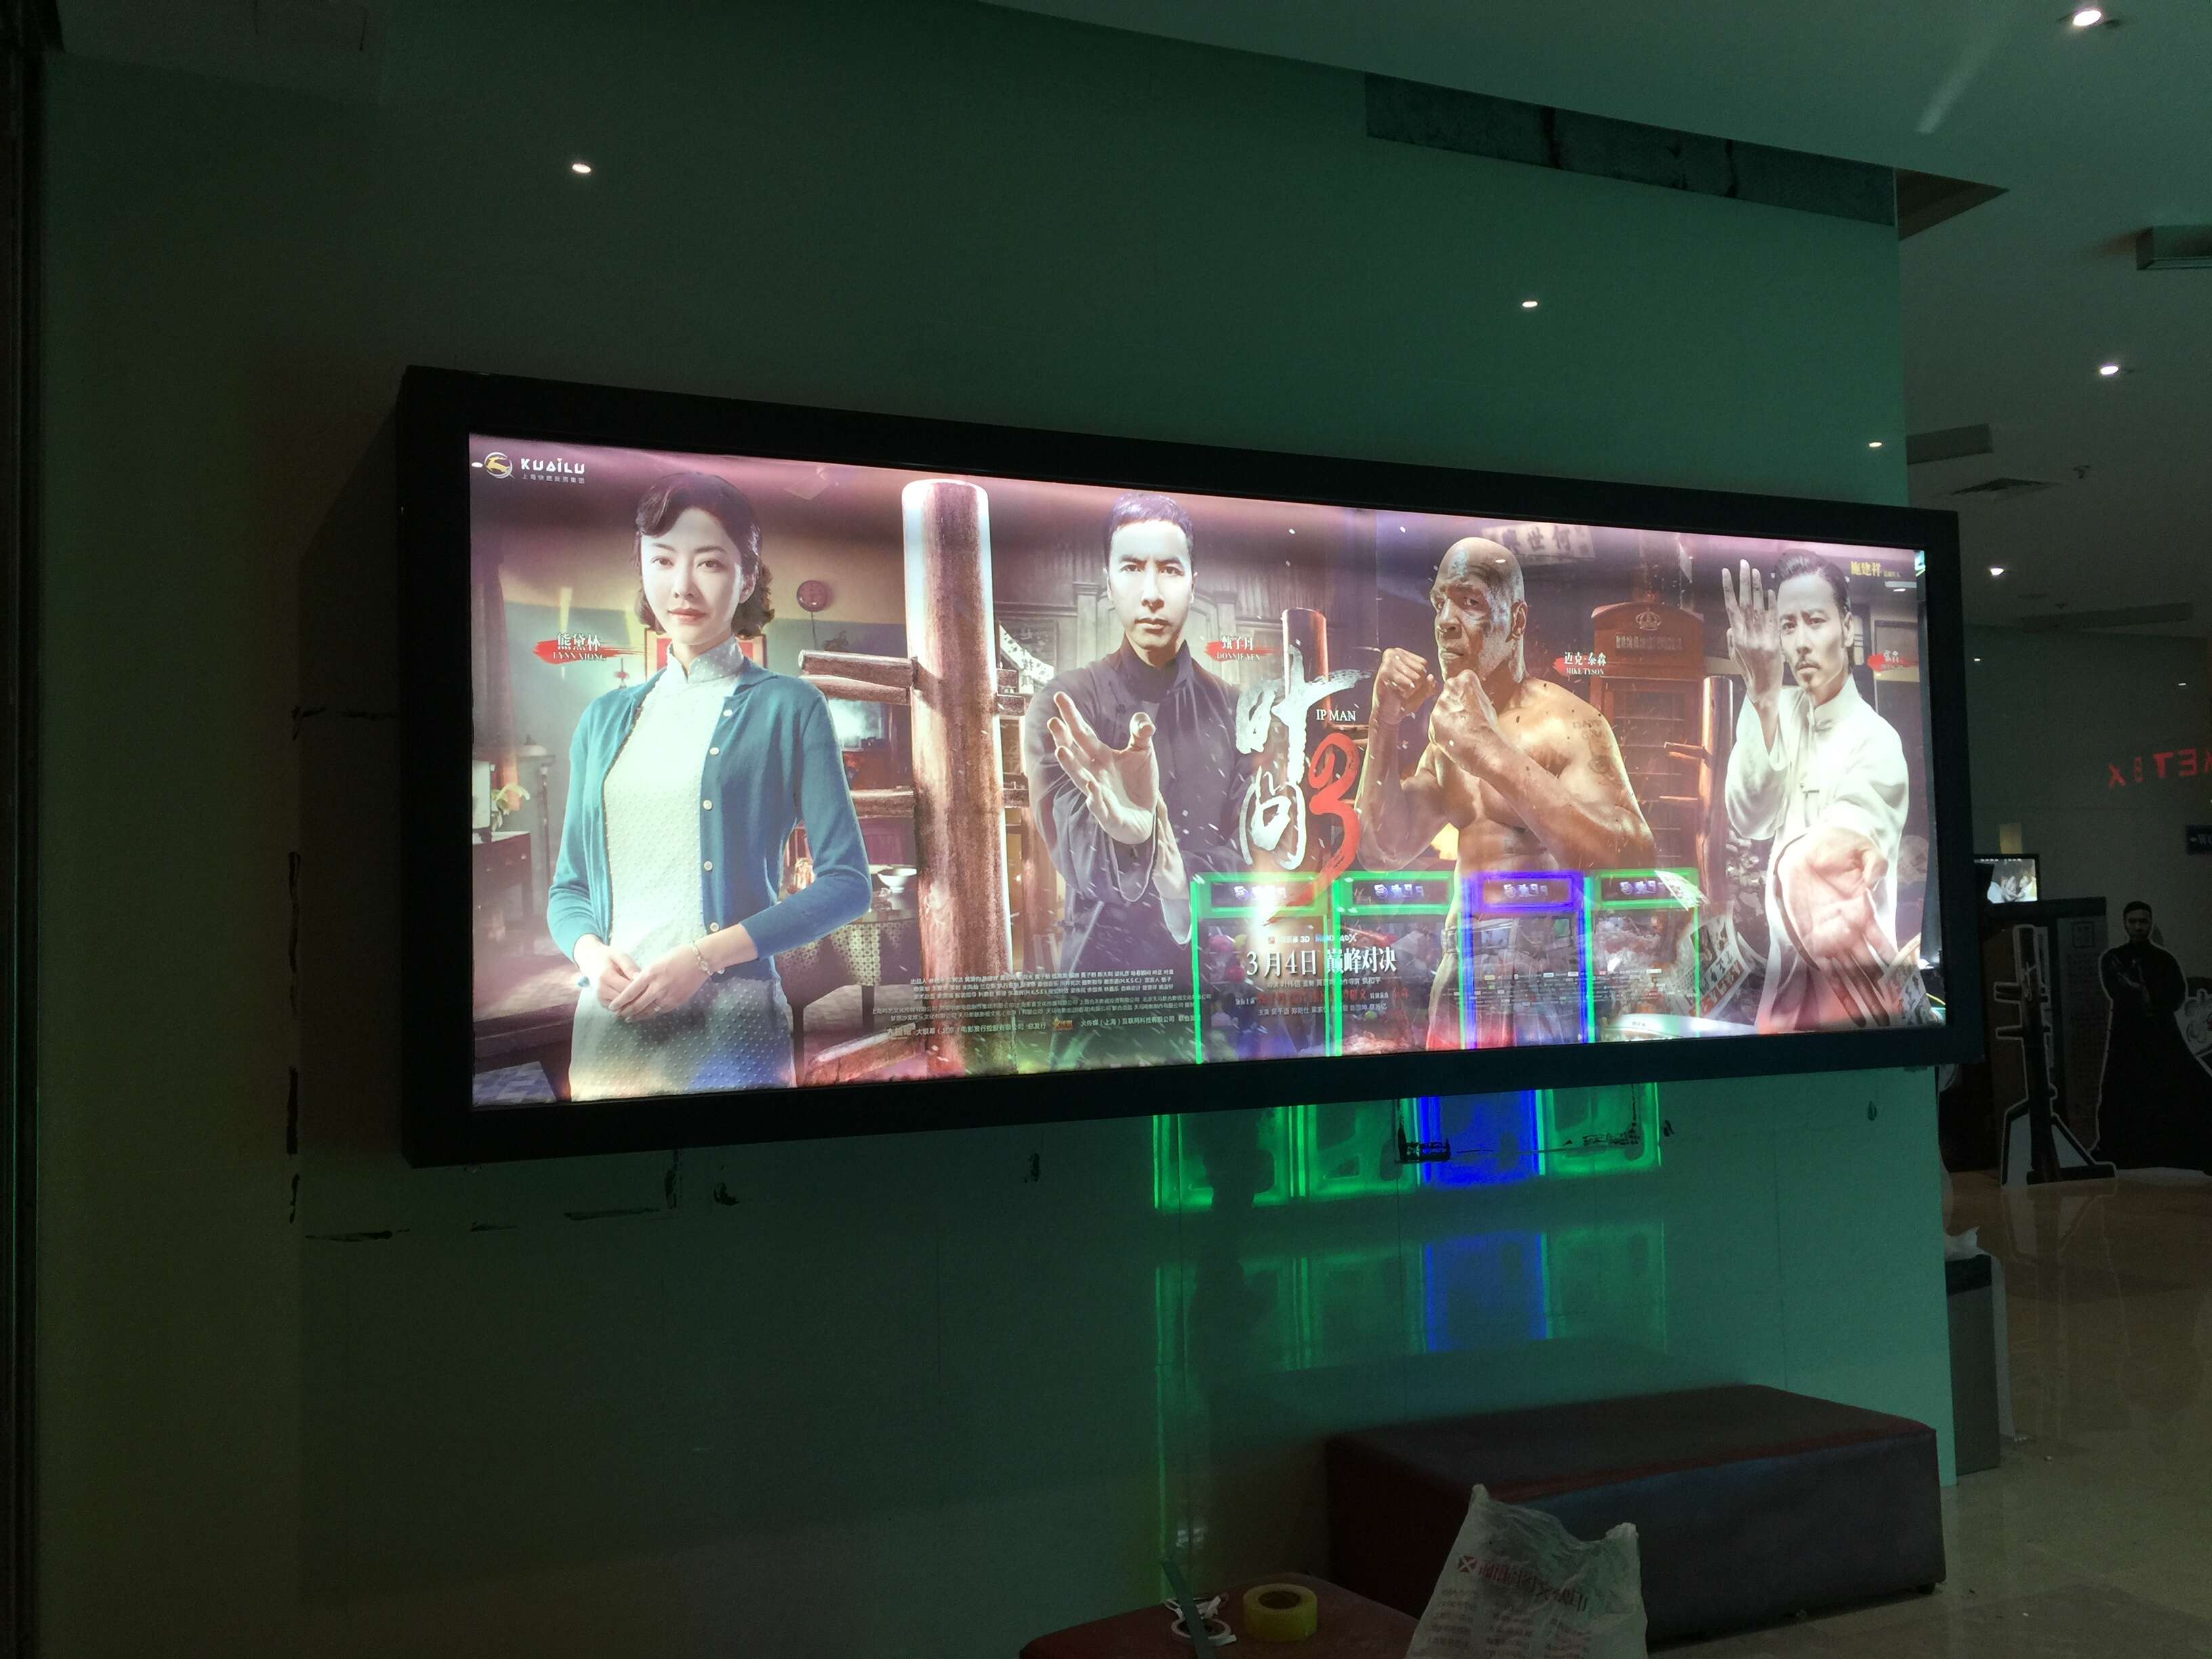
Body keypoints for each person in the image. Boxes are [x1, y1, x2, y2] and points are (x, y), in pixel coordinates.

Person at [548, 472, 869, 1100]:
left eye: (710, 563)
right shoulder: (603, 719)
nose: (682, 586)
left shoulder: (790, 706)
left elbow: (847, 885)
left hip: (733, 1027)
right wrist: (590, 955)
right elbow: (570, 888)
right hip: (612, 1026)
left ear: (746, 579)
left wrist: (702, 958)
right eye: (663, 560)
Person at [1354, 536, 1654, 1047]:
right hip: (1461, 965)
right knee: (1450, 1100)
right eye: (1440, 603)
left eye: (1469, 602)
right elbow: (1383, 849)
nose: (1446, 621)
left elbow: (1633, 861)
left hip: (1542, 970)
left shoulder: (1567, 722)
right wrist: (1384, 720)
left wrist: (1491, 752)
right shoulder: (1447, 736)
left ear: (1516, 621)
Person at [1019, 491, 1250, 1067]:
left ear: (1193, 583)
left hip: (1217, 1008)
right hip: (1103, 1015)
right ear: (1108, 582)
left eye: (1169, 569)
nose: (1152, 593)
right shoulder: (1065, 705)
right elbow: (1075, 854)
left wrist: (1178, 877)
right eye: (1132, 568)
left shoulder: (1236, 710)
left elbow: (1254, 861)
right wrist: (1132, 841)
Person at [1721, 548, 1912, 1033]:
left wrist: (1815, 861)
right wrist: (1763, 697)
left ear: (1847, 628)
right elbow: (1749, 818)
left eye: (1815, 621)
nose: (1801, 642)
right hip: (1783, 995)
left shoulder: (1877, 739)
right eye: (1787, 626)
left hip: (1855, 993)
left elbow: (1850, 837)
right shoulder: (1776, 706)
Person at [2090, 900, 2212, 1169]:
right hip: (2128, 1038)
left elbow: (2176, 995)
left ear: (2150, 923)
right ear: (2125, 924)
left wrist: (2147, 996)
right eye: (2133, 921)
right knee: (2122, 1093)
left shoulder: (2164, 960)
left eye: (2143, 922)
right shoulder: (2114, 959)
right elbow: (2119, 992)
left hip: (2161, 1037)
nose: (2138, 927)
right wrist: (2146, 996)